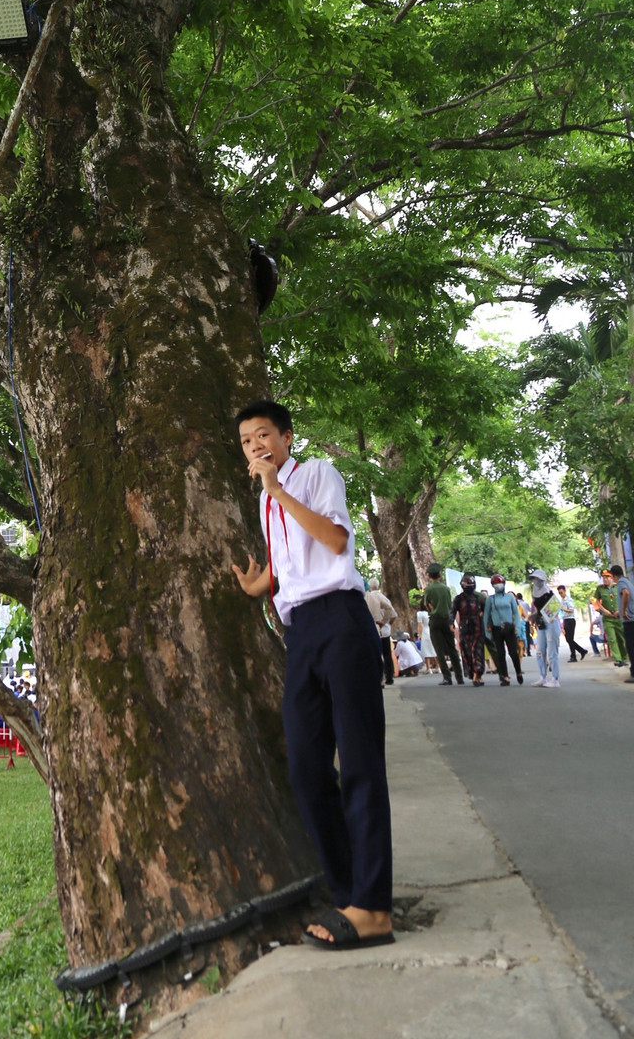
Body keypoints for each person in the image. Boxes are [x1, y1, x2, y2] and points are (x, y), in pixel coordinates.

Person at [231, 398, 393, 950]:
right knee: (304, 766)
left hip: (343, 622)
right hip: (299, 632)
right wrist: (264, 585)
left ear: (287, 438)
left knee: (362, 762)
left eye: (264, 435)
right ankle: (349, 892)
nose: (257, 446)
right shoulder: (265, 503)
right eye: (248, 441)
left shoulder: (317, 475)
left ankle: (373, 908)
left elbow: (335, 541)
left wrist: (278, 490)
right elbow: (293, 558)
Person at [423, 565, 462, 686]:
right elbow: (450, 605)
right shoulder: (445, 588)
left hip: (435, 620)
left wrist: (433, 609)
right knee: (452, 648)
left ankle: (447, 677)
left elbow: (427, 604)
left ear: (429, 576)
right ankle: (459, 677)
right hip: (446, 620)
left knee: (439, 650)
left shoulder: (428, 589)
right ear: (439, 575)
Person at [483, 575, 524, 684]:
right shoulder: (490, 599)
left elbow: (516, 613)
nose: (498, 585)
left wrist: (518, 628)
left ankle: (518, 672)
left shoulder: (510, 598)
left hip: (509, 628)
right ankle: (504, 676)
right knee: (500, 653)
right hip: (496, 629)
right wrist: (487, 632)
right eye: (495, 583)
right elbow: (486, 615)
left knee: (513, 653)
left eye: (499, 583)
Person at [612, 563, 634, 684]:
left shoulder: (621, 583)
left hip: (630, 620)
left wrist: (623, 611)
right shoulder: (628, 582)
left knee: (631, 646)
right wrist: (620, 611)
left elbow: (626, 593)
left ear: (614, 576)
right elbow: (629, 597)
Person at [527, 569, 562, 687]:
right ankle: (543, 676)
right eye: (534, 579)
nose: (536, 581)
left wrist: (549, 615)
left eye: (538, 579)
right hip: (541, 624)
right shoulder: (534, 593)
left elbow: (555, 609)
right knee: (540, 652)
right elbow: (538, 610)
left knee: (552, 652)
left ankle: (555, 679)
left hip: (551, 624)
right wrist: (532, 616)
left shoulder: (548, 593)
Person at [451, 574, 487, 686]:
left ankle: (478, 674)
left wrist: (483, 615)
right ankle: (472, 673)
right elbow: (452, 611)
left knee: (478, 650)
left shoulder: (479, 598)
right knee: (466, 651)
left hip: (477, 627)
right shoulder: (458, 599)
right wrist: (451, 622)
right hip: (464, 627)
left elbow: (486, 610)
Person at [364, 580, 397, 686]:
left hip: (368, 630)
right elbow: (391, 611)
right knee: (387, 654)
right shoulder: (380, 597)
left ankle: (379, 678)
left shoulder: (361, 598)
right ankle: (389, 677)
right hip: (382, 629)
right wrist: (384, 622)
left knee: (374, 655)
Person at [592, 574, 627, 667]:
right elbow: (597, 601)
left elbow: (624, 598)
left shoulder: (618, 587)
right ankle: (618, 659)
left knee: (621, 638)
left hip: (618, 617)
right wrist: (604, 610)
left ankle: (624, 658)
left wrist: (620, 610)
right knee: (612, 638)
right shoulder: (600, 589)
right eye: (603, 578)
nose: (605, 579)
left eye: (607, 577)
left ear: (612, 578)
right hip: (607, 618)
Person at [558, 585, 587, 662]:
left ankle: (575, 654)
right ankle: (579, 652)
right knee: (568, 639)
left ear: (565, 591)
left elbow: (571, 610)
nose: (561, 594)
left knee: (570, 639)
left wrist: (563, 609)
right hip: (565, 620)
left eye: (561, 592)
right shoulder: (562, 600)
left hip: (570, 620)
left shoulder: (569, 600)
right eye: (559, 593)